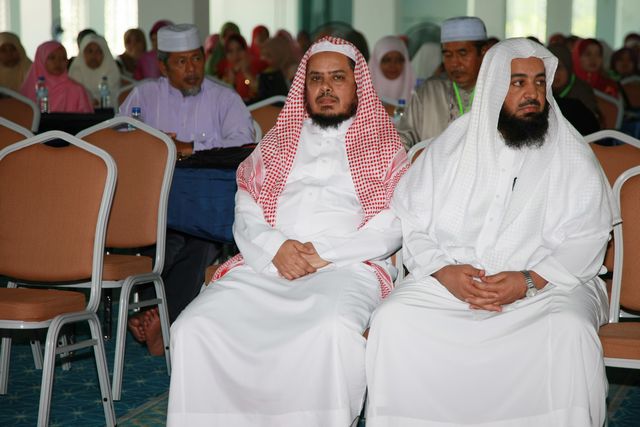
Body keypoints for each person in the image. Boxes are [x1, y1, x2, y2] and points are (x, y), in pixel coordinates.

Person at [366, 38, 616, 427]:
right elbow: (413, 221)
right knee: (393, 319)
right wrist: (444, 272)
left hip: (548, 286)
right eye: (518, 83)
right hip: (454, 281)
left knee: (569, 330)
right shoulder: (451, 146)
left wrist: (528, 280)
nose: (532, 93)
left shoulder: (572, 154)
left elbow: (590, 237)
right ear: (495, 86)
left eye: (539, 82)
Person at [167, 36, 408, 426]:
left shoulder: (383, 145)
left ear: (357, 85)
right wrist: (275, 248)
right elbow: (246, 204)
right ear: (304, 86)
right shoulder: (278, 141)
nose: (326, 88)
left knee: (331, 331)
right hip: (267, 264)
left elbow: (393, 222)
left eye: (337, 78)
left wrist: (324, 253)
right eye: (316, 79)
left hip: (347, 266)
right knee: (194, 327)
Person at [119, 24, 254, 355]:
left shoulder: (224, 98)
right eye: (181, 62)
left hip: (208, 204)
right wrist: (155, 146)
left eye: (196, 59)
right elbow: (119, 141)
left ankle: (154, 315)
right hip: (153, 202)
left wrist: (188, 148)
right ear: (163, 66)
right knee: (169, 240)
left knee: (198, 239)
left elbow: (243, 146)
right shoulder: (143, 96)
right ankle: (160, 317)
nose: (191, 68)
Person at [396, 16, 487, 150]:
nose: (454, 63)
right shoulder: (429, 92)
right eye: (448, 55)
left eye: (462, 54)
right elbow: (402, 139)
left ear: (484, 53)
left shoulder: (499, 93)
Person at [20, 41, 93, 113]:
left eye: (63, 58)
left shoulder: (77, 90)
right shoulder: (29, 88)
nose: (58, 62)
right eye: (52, 58)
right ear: (41, 60)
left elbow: (86, 117)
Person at [548, 43, 601, 134]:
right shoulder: (542, 91)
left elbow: (590, 127)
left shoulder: (582, 91)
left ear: (568, 67)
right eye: (551, 68)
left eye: (559, 67)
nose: (555, 73)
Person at [68, 34, 121, 106]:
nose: (94, 55)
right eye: (90, 51)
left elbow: (113, 97)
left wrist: (96, 101)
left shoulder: (111, 70)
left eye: (98, 51)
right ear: (83, 53)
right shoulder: (76, 70)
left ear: (104, 53)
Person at [217, 33, 263, 102]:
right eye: (230, 51)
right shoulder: (224, 72)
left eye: (239, 49)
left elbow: (260, 92)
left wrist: (246, 73)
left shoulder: (257, 67)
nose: (235, 54)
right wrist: (232, 80)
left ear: (245, 50)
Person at [370, 35, 415, 102]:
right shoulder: (360, 93)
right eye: (386, 60)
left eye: (398, 60)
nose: (393, 65)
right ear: (376, 63)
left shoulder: (418, 92)